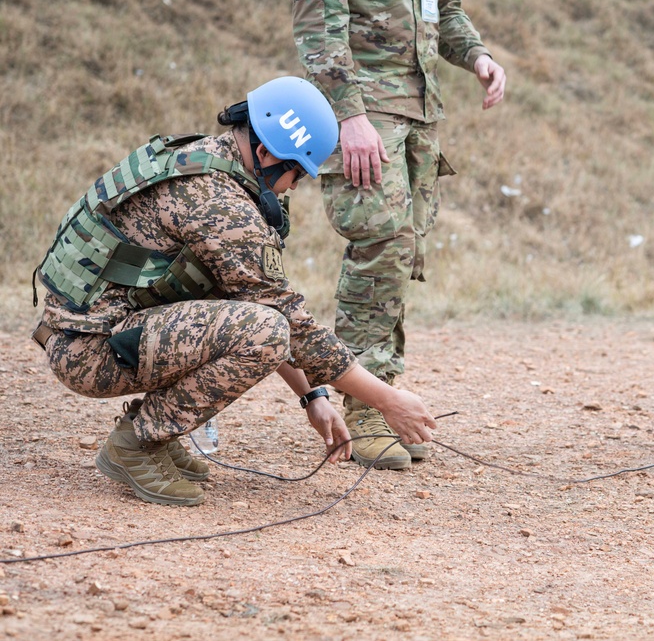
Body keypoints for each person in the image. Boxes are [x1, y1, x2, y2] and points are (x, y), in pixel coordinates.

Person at [31, 76, 438, 507]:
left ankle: (156, 432)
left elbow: (254, 297)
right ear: (265, 153)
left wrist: (313, 397)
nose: (295, 187)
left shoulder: (206, 161)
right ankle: (137, 443)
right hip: (90, 353)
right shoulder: (219, 202)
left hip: (94, 334)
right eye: (296, 173)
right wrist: (388, 399)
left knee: (263, 322)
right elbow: (284, 323)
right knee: (266, 330)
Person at [291, 0, 506, 470]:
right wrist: (348, 116)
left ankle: (382, 393)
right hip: (366, 114)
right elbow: (318, 26)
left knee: (402, 255)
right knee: (380, 246)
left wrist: (478, 56)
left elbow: (445, 10)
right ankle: (363, 407)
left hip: (419, 113)